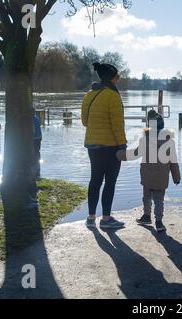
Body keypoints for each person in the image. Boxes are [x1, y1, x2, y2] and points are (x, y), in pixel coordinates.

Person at [117, 110, 181, 232]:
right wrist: (176, 178)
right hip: (162, 177)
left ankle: (146, 216)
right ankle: (159, 222)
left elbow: (134, 154)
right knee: (159, 199)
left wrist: (119, 154)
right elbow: (174, 163)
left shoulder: (145, 140)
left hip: (147, 176)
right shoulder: (169, 142)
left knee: (146, 197)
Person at [82, 62, 127, 229]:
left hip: (92, 145)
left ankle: (91, 217)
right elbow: (117, 125)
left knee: (95, 180)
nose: (118, 80)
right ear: (111, 77)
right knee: (110, 182)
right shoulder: (113, 96)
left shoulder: (89, 95)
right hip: (110, 146)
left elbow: (84, 122)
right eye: (117, 77)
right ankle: (106, 218)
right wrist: (122, 145)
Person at [32, 107, 42, 179]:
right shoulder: (37, 119)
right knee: (37, 153)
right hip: (39, 138)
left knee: (33, 153)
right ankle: (37, 170)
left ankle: (34, 170)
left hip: (34, 139)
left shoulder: (30, 120)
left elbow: (33, 131)